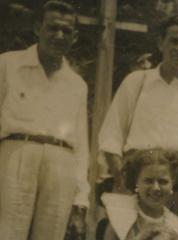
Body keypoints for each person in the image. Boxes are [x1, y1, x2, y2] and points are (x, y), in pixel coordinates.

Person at [98, 15, 178, 223]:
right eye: (174, 40)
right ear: (160, 42)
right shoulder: (136, 82)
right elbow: (111, 136)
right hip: (137, 176)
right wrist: (122, 182)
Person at [0, 1, 89, 240]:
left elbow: (80, 147)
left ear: (75, 37)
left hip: (61, 166)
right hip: (14, 158)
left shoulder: (77, 84)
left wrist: (81, 200)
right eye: (52, 28)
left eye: (66, 31)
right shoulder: (7, 64)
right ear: (38, 28)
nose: (59, 35)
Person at [99, 149, 178, 240]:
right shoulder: (119, 217)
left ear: (173, 183)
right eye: (148, 181)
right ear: (136, 182)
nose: (156, 188)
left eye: (163, 182)